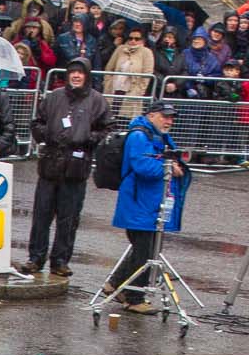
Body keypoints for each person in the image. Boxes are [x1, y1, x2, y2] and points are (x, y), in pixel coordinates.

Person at [24, 61, 112, 278]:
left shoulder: (97, 100)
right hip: (50, 165)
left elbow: (108, 128)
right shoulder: (54, 97)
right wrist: (48, 134)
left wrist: (87, 139)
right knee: (41, 215)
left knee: (69, 218)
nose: (76, 76)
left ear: (86, 76)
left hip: (76, 167)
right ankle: (35, 258)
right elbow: (37, 122)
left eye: (80, 73)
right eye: (72, 72)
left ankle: (60, 260)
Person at [101, 98, 187, 316]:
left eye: (171, 118)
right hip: (140, 203)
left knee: (145, 248)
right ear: (151, 115)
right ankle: (134, 298)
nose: (169, 121)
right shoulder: (140, 135)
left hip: (150, 203)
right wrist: (169, 167)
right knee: (145, 252)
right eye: (164, 116)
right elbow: (142, 166)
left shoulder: (159, 135)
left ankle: (114, 285)